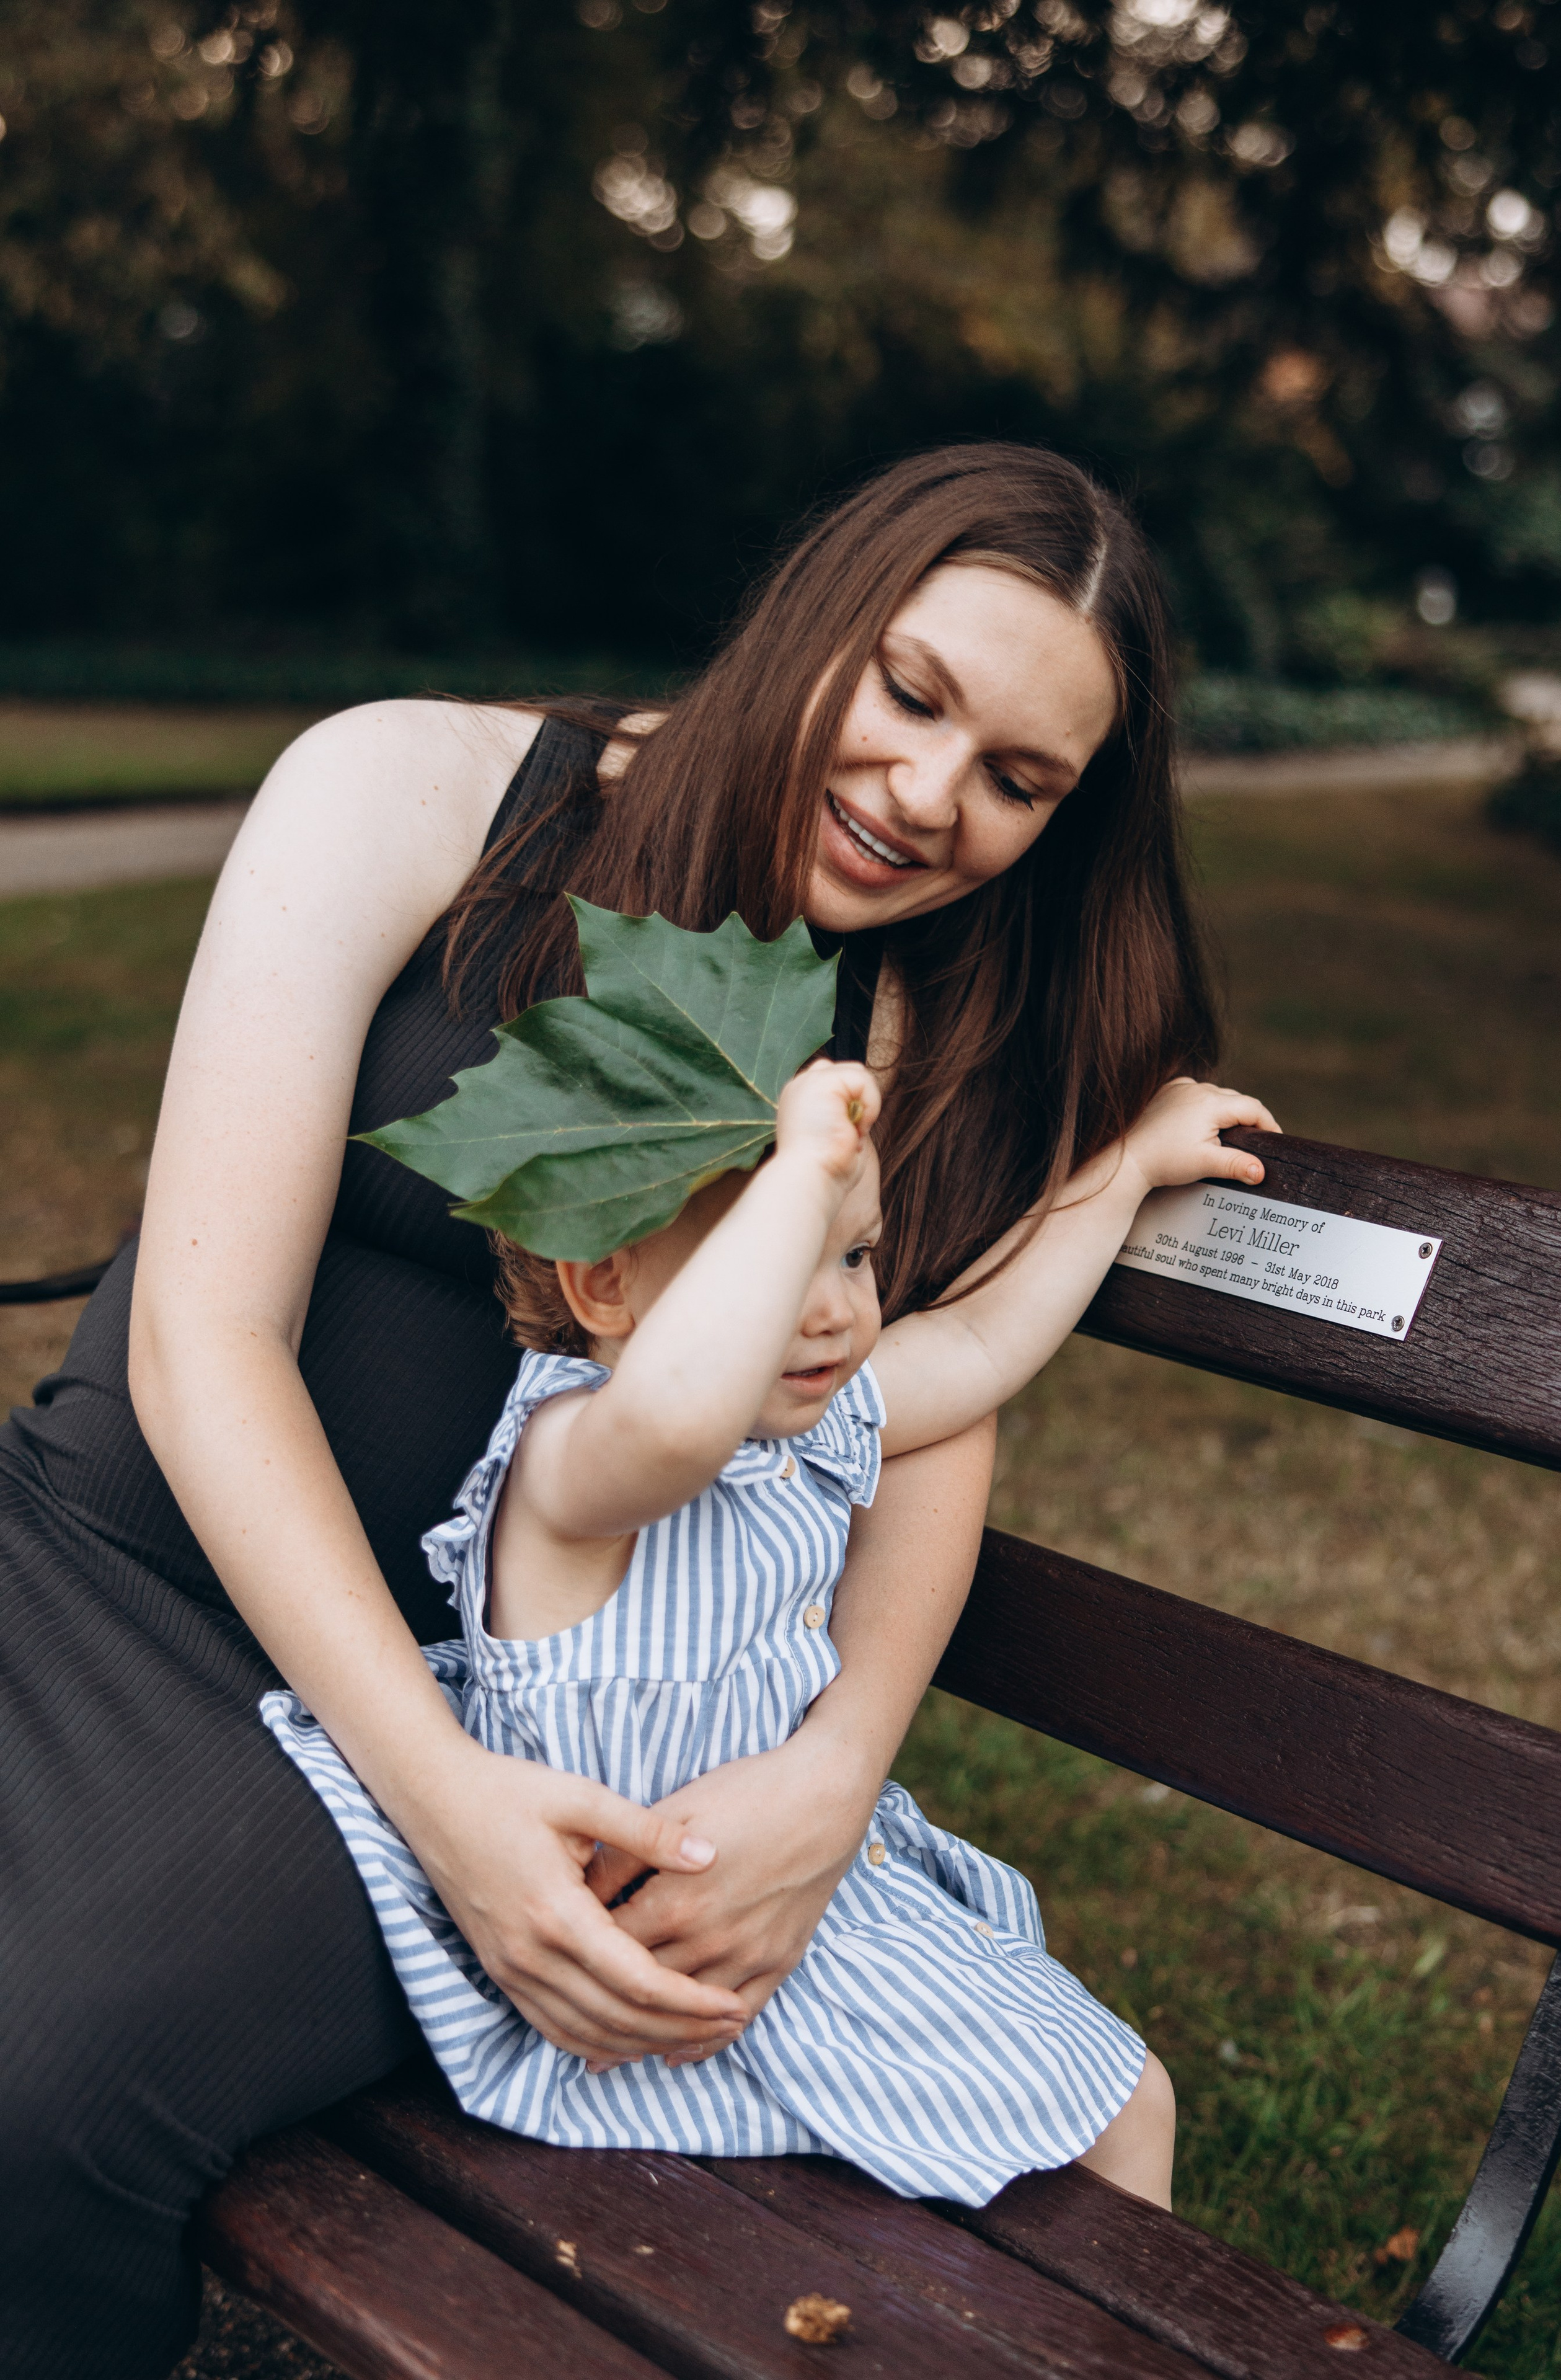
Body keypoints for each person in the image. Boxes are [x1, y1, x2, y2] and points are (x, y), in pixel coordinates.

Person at [0, 443, 1256, 2378]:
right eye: (910, 692)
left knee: (41, 2085)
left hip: (458, 1736)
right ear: (816, 613)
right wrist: (446, 1795)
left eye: (1018, 779)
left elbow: (916, 1414)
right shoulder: (416, 790)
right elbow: (205, 1335)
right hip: (106, 1559)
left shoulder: (930, 1028)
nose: (931, 795)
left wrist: (831, 1774)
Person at [267, 1041, 1273, 2209]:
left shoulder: (808, 1422)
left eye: (854, 1253)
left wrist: (1126, 1169)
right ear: (605, 1286)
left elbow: (983, 1343)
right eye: (778, 1258)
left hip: (777, 1909)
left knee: (1129, 2104)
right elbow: (675, 1422)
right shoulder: (572, 1460)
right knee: (1119, 2102)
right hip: (665, 1973)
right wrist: (804, 1169)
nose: (838, 1308)